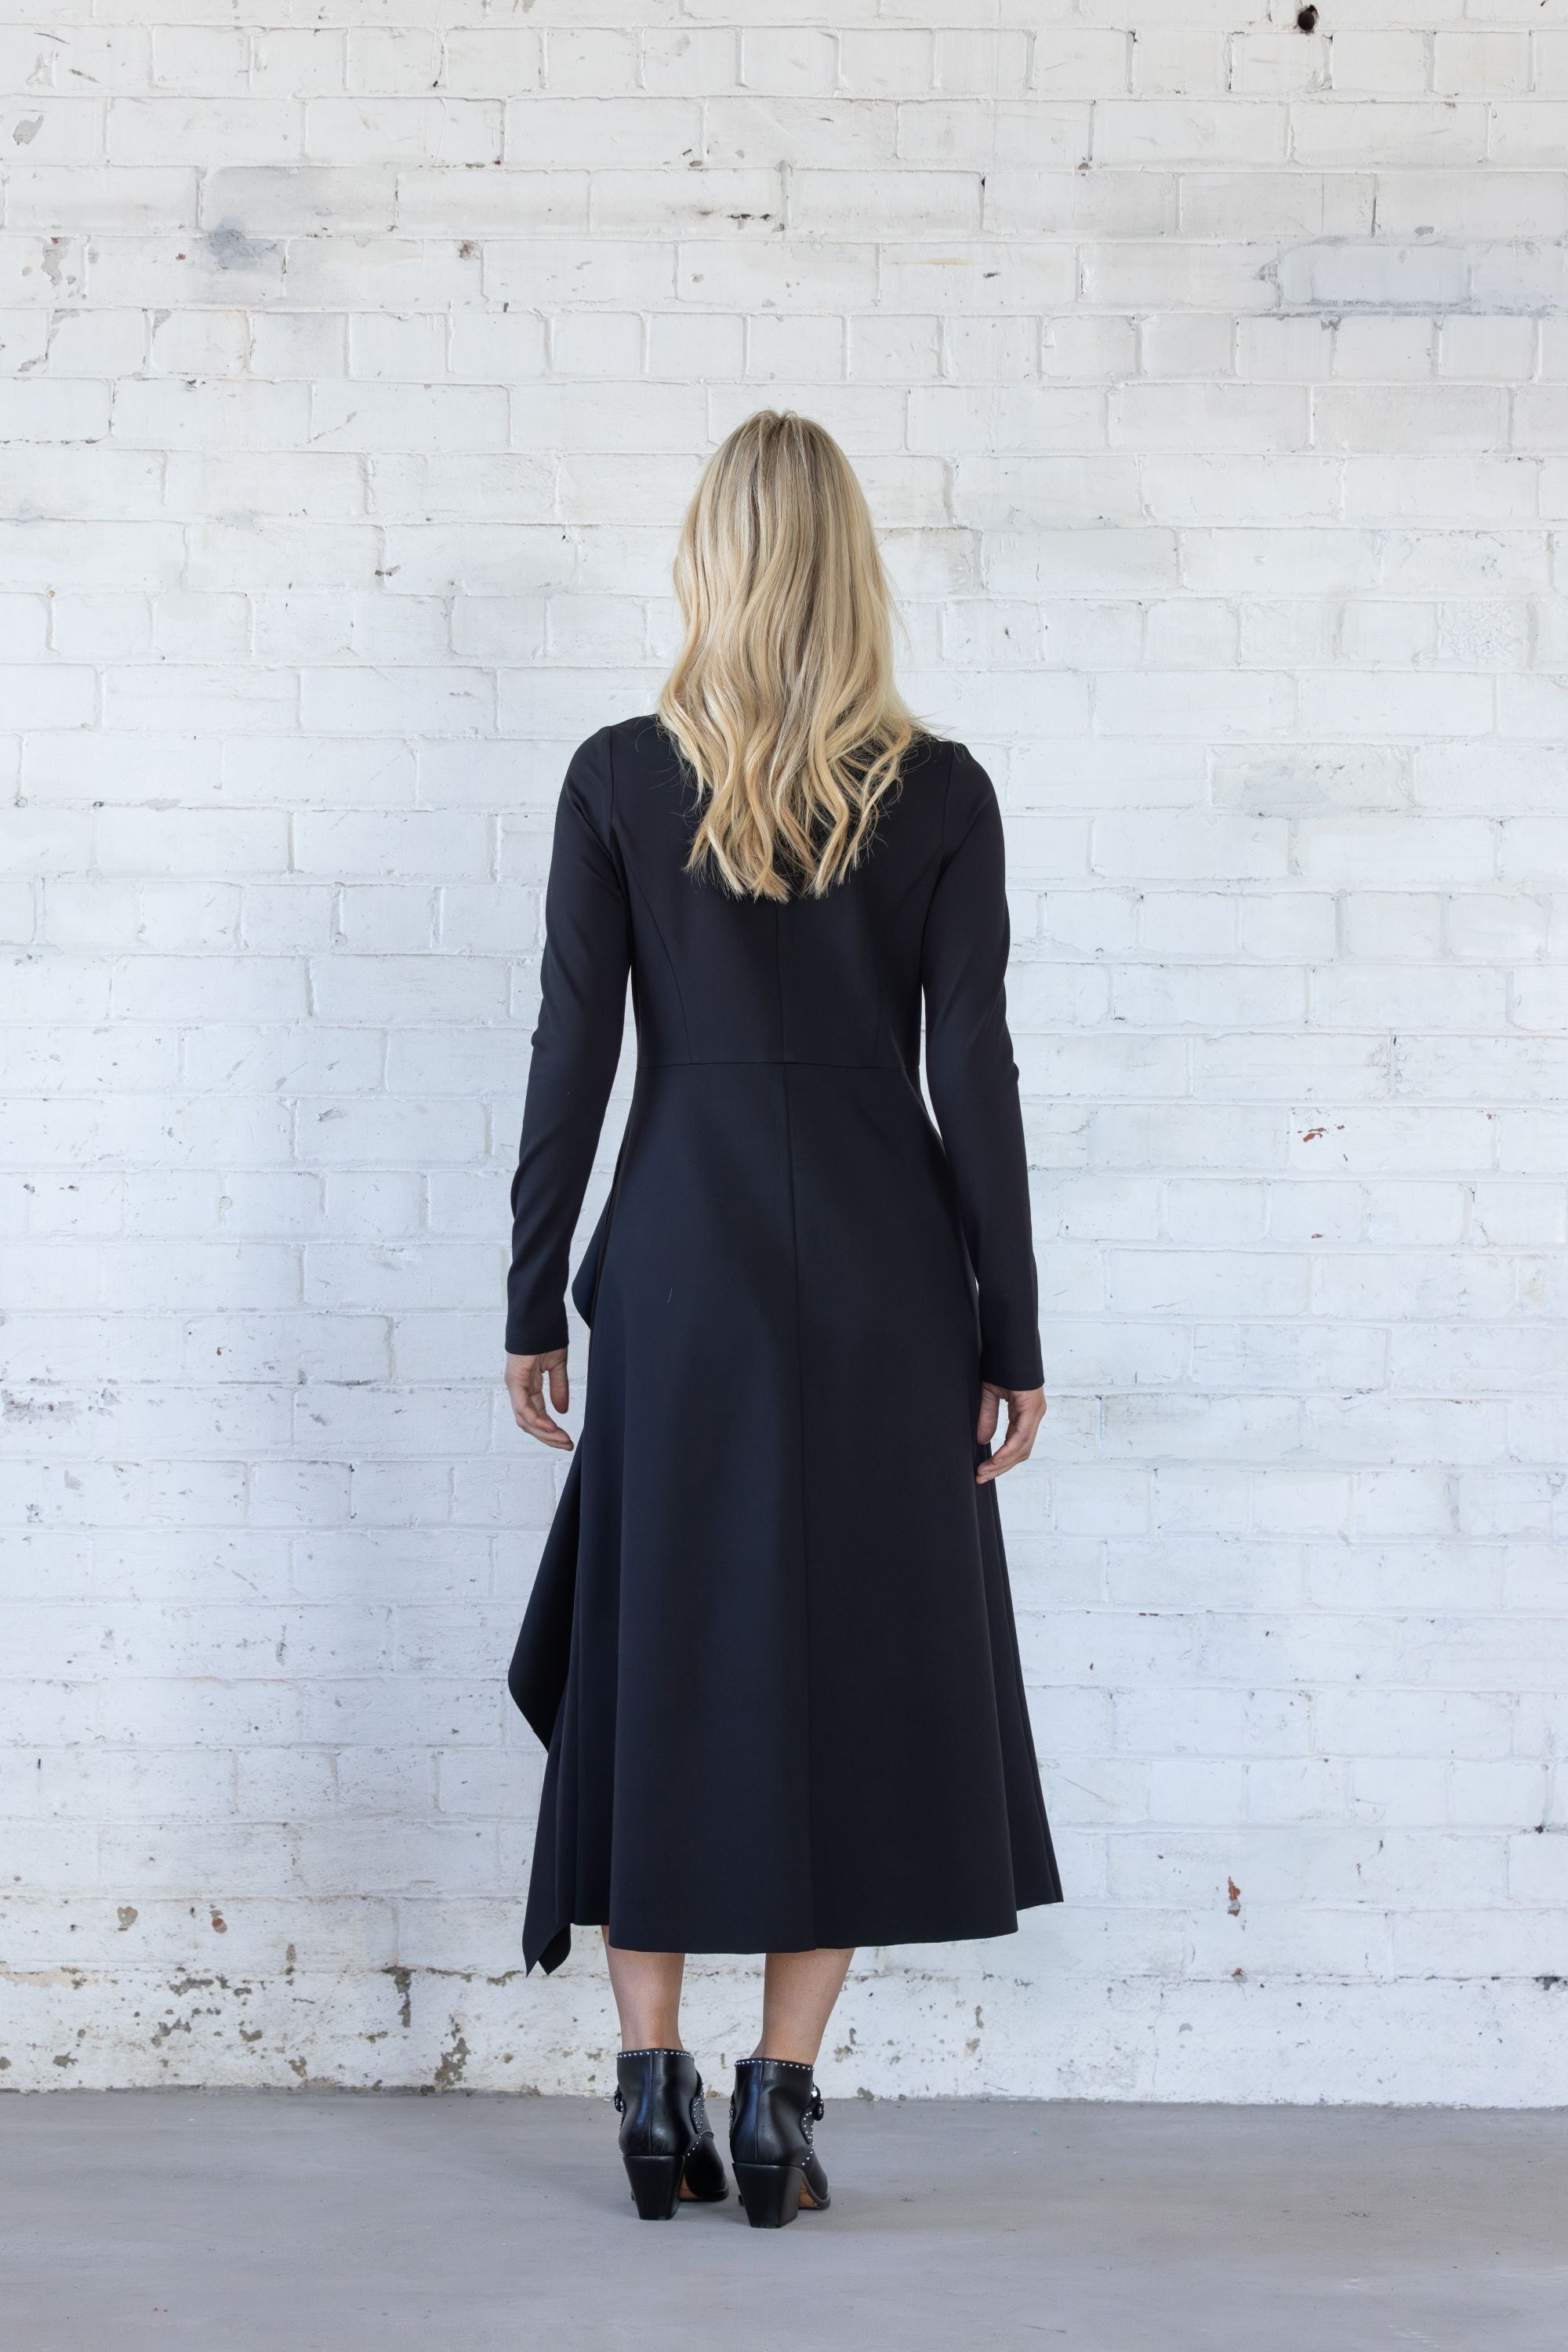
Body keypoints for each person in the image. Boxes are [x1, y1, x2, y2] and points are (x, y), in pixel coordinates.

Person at [502, 411, 1062, 2229]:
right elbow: (973, 1073)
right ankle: (776, 2105)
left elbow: (571, 1054)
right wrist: (1011, 1329)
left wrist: (532, 1292)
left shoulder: (616, 778)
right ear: (854, 568)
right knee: (852, 1674)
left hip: (679, 1265)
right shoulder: (941, 791)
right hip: (886, 1280)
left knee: (660, 1657)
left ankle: (646, 2085)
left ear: (709, 561)